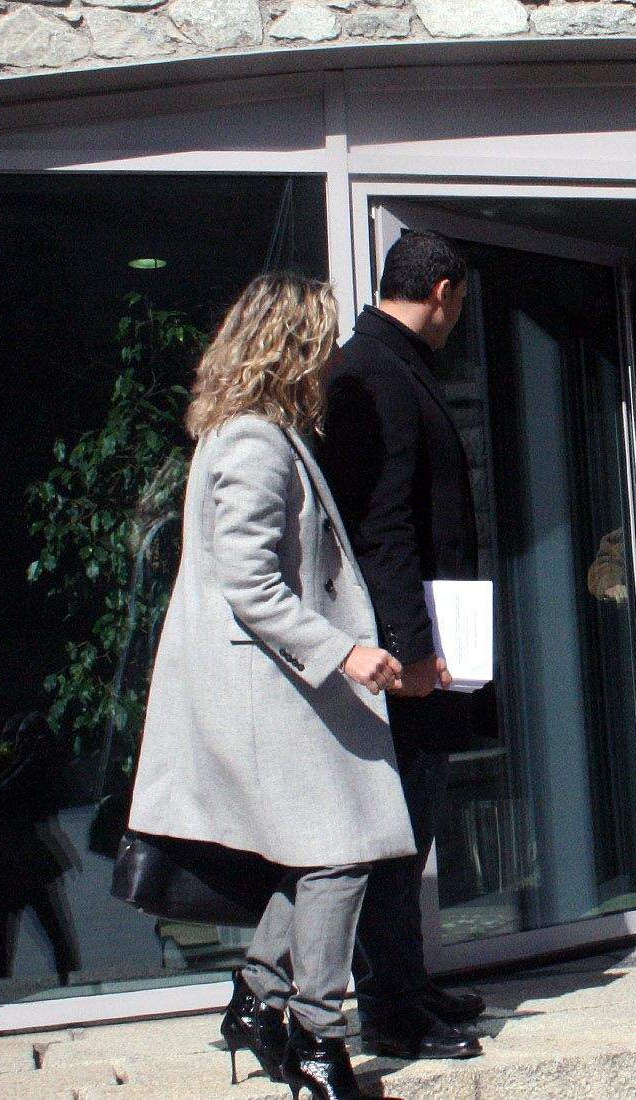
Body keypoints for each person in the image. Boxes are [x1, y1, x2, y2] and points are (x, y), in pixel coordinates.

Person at [127, 272, 411, 1100]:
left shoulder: (245, 432)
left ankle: (259, 999)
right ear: (292, 346)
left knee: (322, 851)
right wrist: (345, 653)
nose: (329, 357)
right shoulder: (254, 441)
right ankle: (316, 1036)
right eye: (318, 340)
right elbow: (248, 582)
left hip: (273, 685)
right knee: (340, 851)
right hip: (273, 687)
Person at [318, 229, 486, 1062]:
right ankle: (388, 1010)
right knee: (395, 830)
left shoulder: (389, 367)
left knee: (412, 824)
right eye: (461, 303)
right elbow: (380, 525)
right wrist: (411, 650)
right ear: (445, 291)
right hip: (398, 655)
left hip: (415, 640)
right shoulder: (375, 372)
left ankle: (406, 985)